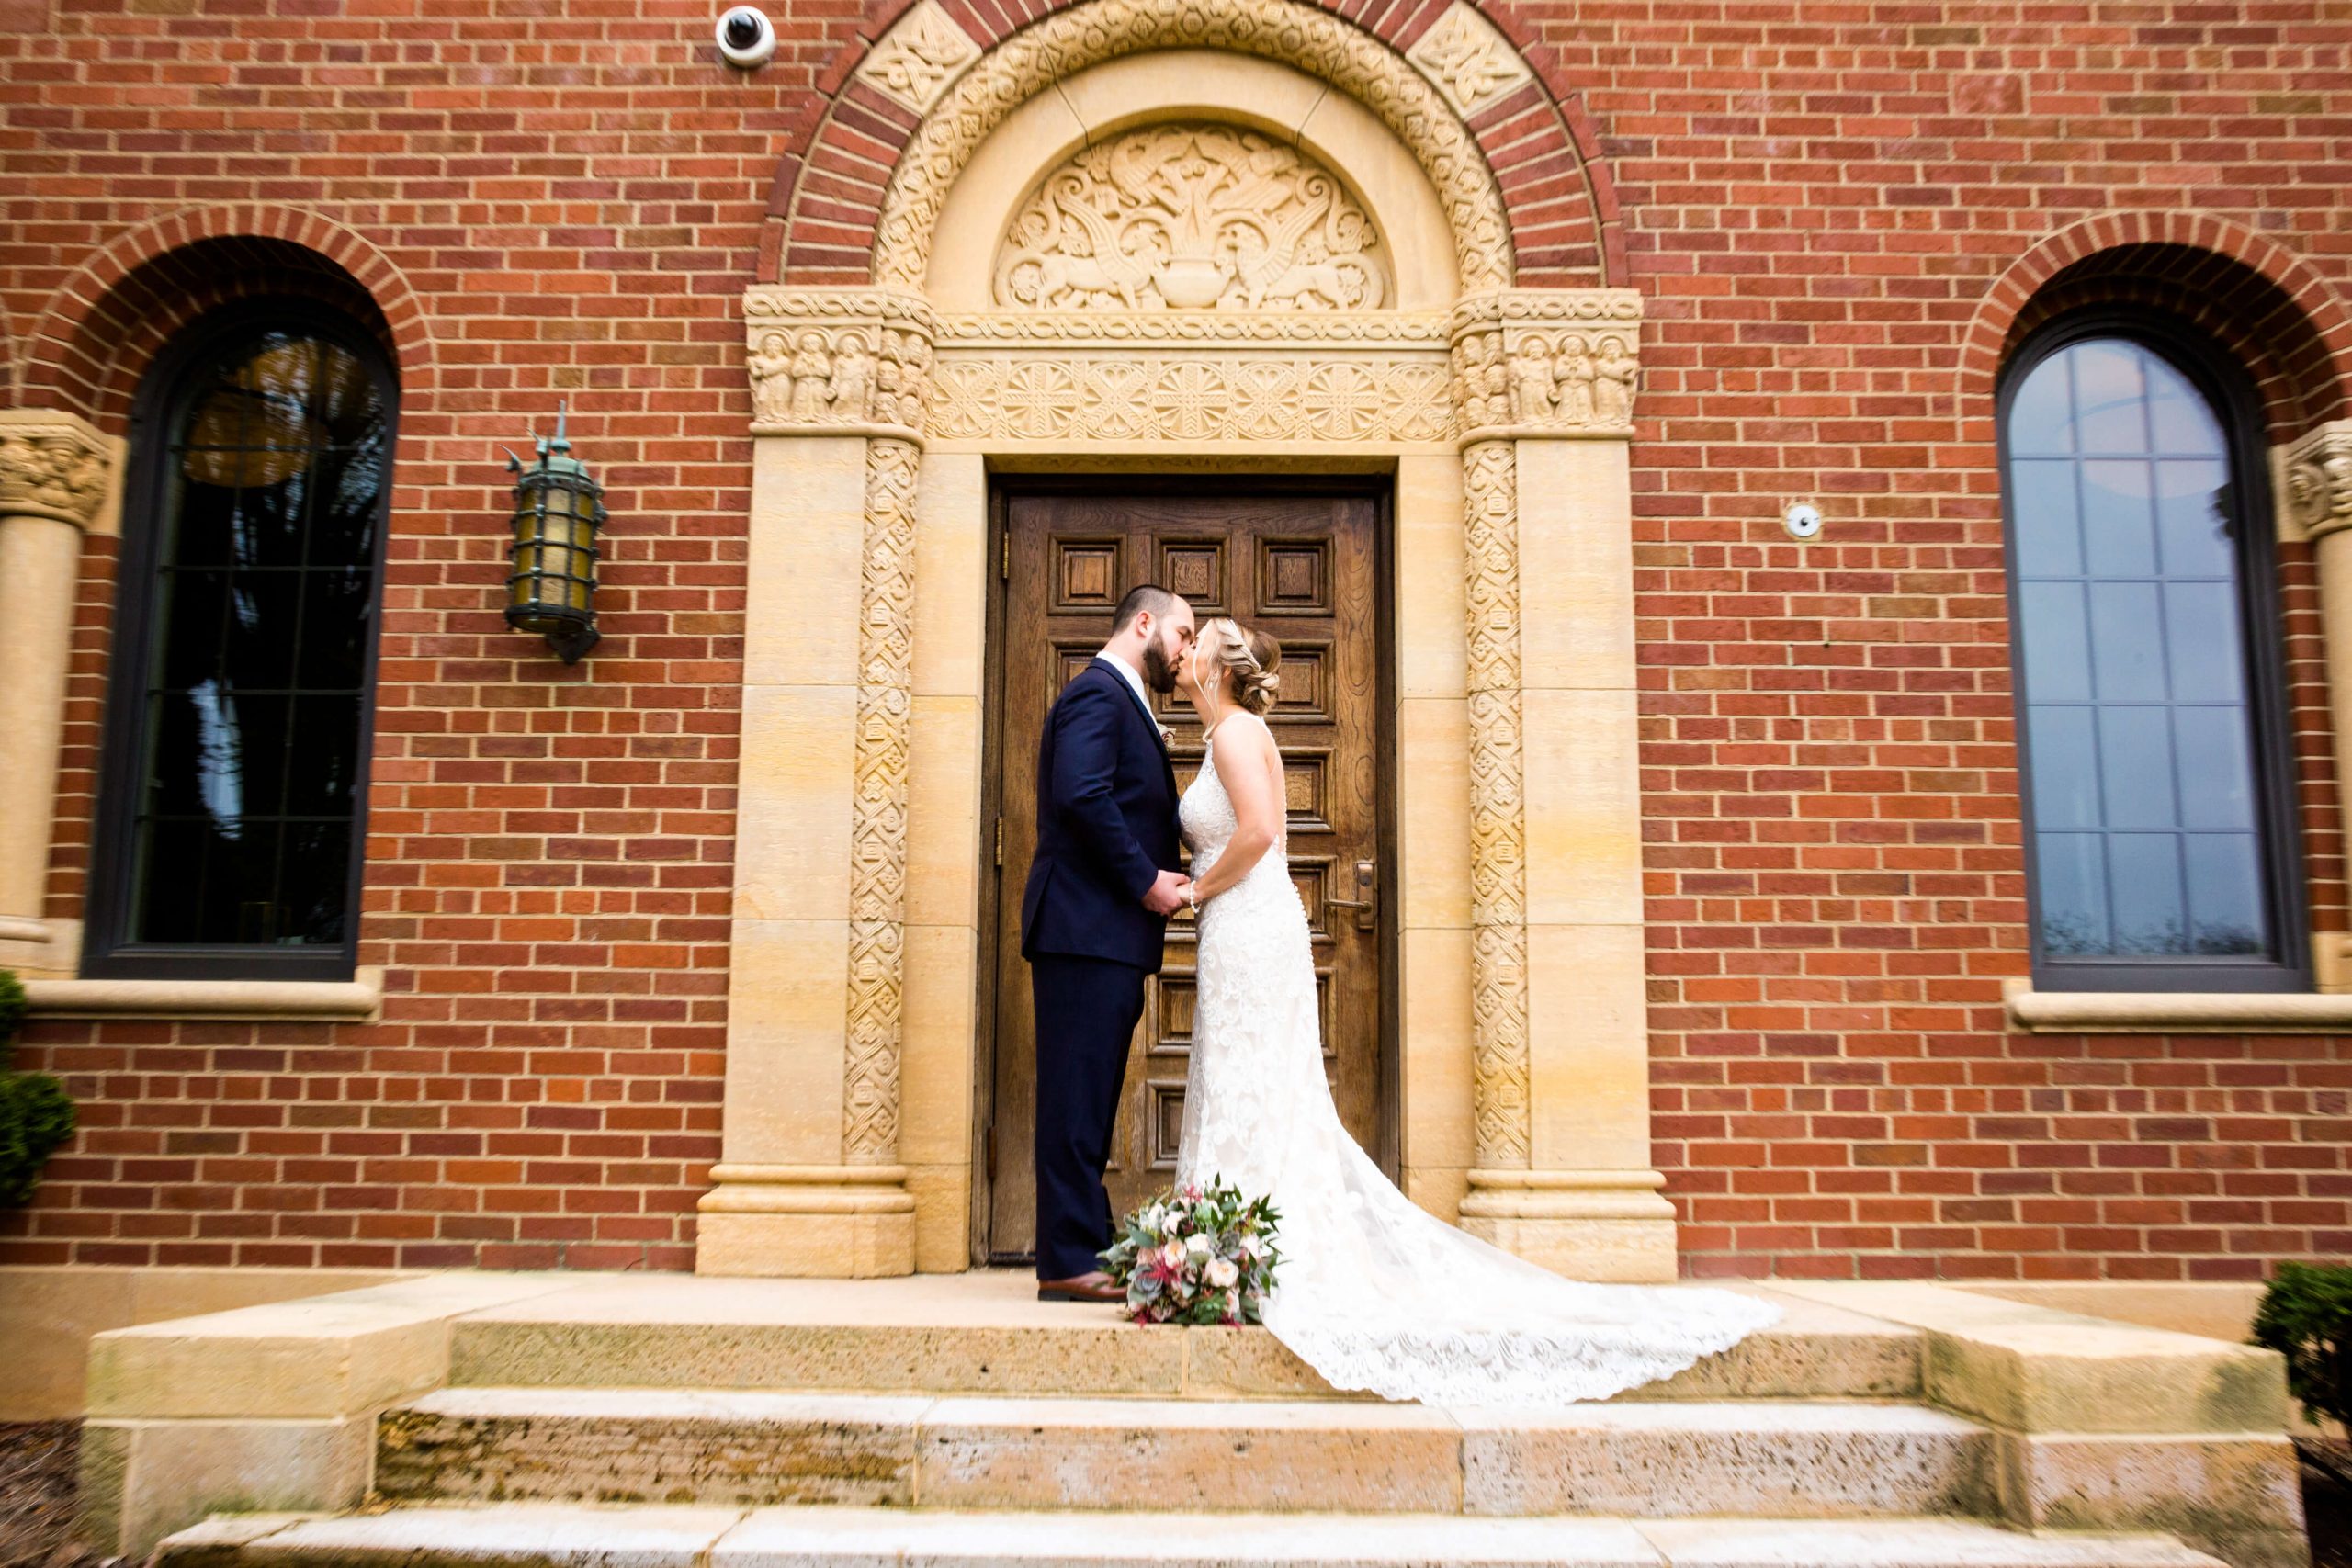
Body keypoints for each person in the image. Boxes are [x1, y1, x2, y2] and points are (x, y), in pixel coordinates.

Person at [1170, 615, 1779, 1402]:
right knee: (1250, 1080)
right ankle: (1237, 1247)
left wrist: (1195, 889)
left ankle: (1246, 1254)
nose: (1187, 650)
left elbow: (1256, 834)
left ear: (1220, 665)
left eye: (1202, 637)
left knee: (1254, 1078)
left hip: (1248, 921)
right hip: (1252, 925)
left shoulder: (1232, 736)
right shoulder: (1237, 729)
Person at [1022, 584, 1197, 1303]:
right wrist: (1146, 880)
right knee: (1074, 1093)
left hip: (1100, 935)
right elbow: (1083, 795)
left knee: (1087, 1093)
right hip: (1085, 927)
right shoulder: (1099, 694)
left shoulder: (1121, 699)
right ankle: (1065, 1257)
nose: (1186, 651)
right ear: (1145, 622)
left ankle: (1082, 1242)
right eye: (1183, 634)